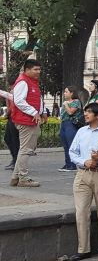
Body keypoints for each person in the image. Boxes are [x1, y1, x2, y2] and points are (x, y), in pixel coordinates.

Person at [68, 103, 98, 260]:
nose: (86, 114)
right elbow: (72, 152)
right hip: (83, 174)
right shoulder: (82, 131)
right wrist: (85, 162)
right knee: (82, 211)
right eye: (85, 111)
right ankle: (83, 249)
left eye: (89, 112)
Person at [8, 59, 45, 188]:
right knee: (26, 149)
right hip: (26, 120)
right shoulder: (23, 82)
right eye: (35, 69)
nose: (38, 72)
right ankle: (23, 177)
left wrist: (41, 112)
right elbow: (19, 100)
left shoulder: (31, 82)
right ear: (27, 70)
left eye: (39, 69)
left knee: (25, 149)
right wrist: (34, 112)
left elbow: (36, 99)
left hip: (30, 119)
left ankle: (15, 177)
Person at [58, 86, 83, 171]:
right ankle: (67, 163)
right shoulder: (66, 102)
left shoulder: (76, 102)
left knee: (70, 144)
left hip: (71, 124)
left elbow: (70, 112)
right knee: (65, 145)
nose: (64, 93)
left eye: (66, 92)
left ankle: (72, 165)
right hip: (64, 124)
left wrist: (66, 105)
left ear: (71, 93)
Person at [0, 87, 19, 170]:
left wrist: (6, 115)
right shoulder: (12, 91)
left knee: (14, 140)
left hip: (14, 118)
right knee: (8, 138)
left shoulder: (14, 91)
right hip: (11, 118)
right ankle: (15, 159)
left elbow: (12, 106)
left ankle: (16, 161)